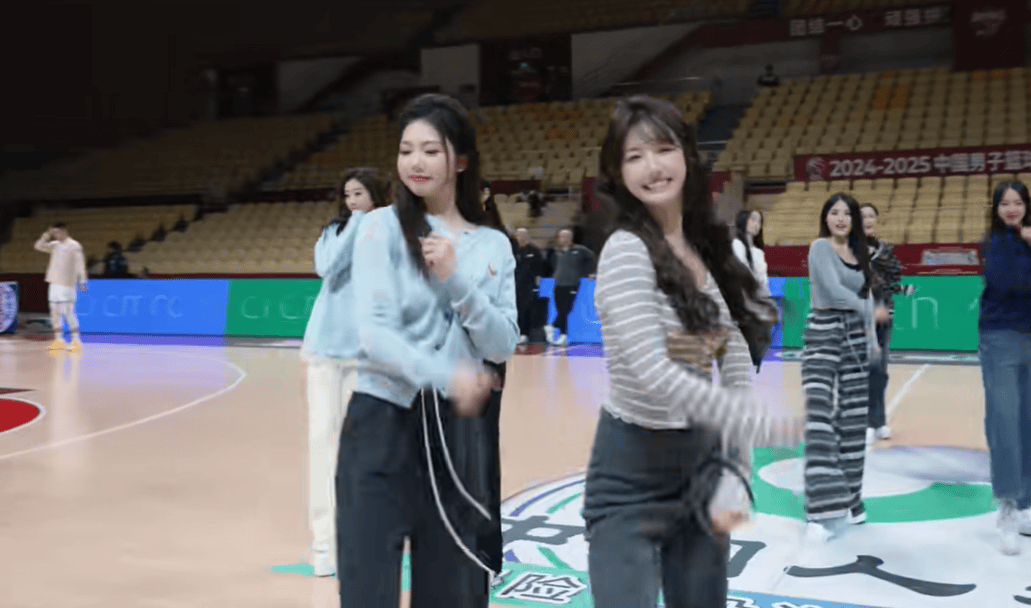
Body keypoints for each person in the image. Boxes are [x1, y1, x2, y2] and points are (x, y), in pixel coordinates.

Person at [583, 95, 800, 608]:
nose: (652, 167)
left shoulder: (707, 249)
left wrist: (737, 473)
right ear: (618, 172)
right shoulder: (625, 250)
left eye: (663, 149)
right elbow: (652, 371)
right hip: (630, 472)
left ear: (687, 155)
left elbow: (737, 363)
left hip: (702, 467)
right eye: (634, 156)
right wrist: (753, 421)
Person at [337, 93, 518, 608]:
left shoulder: (492, 245)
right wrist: (446, 374)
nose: (415, 161)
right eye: (406, 150)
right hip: (381, 423)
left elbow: (502, 343)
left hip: (457, 437)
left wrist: (456, 278)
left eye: (431, 150)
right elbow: (373, 335)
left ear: (460, 161)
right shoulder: (378, 227)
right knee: (368, 591)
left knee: (452, 592)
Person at [301, 167, 389, 577]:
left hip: (367, 356)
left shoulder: (390, 233)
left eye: (360, 194)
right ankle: (324, 545)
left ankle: (361, 538)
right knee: (322, 443)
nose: (352, 201)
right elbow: (328, 268)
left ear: (376, 195)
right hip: (323, 352)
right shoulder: (333, 233)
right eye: (348, 195)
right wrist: (355, 224)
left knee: (364, 448)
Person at [802, 194, 890, 542]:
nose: (840, 218)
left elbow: (866, 295)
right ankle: (820, 511)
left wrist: (872, 343)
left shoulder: (862, 254)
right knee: (819, 417)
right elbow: (834, 292)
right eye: (834, 212)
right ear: (825, 218)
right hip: (823, 332)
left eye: (847, 213)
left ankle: (852, 500)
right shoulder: (819, 248)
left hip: (856, 338)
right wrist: (871, 312)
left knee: (853, 422)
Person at [977, 180, 1031, 555]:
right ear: (996, 209)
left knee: (1028, 423)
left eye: (1018, 202)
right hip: (1000, 339)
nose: (1012, 208)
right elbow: (1013, 283)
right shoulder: (995, 243)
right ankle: (1008, 507)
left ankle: (1026, 504)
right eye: (1004, 203)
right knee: (1005, 422)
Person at [860, 203, 914, 445]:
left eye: (871, 216)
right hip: (859, 318)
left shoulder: (886, 249)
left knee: (880, 371)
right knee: (864, 370)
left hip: (883, 318)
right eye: (863, 216)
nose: (868, 220)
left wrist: (896, 293)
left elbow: (893, 280)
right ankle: (866, 423)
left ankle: (879, 421)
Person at [33, 223, 88, 352]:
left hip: (67, 283)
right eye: (53, 233)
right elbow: (38, 246)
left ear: (64, 231)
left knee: (68, 312)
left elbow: (80, 263)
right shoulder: (54, 245)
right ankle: (59, 340)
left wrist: (83, 280)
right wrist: (45, 236)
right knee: (54, 313)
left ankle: (76, 341)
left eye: (57, 232)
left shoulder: (74, 245)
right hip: (54, 282)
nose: (55, 235)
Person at [732, 209, 772, 369]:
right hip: (743, 302)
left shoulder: (759, 252)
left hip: (758, 302)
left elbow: (763, 281)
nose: (756, 224)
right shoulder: (737, 245)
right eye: (753, 219)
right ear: (743, 220)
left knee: (760, 346)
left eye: (759, 221)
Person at [545, 227, 595, 346]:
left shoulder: (580, 250)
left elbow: (591, 258)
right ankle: (562, 334)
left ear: (571, 238)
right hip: (558, 283)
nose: (564, 239)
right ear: (558, 238)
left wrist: (587, 272)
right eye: (562, 236)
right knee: (561, 310)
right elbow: (550, 264)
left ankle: (554, 327)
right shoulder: (555, 251)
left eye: (567, 236)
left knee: (566, 309)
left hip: (572, 283)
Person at [514, 227, 546, 344]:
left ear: (527, 236)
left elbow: (540, 269)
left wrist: (537, 284)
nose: (520, 237)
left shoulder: (534, 251)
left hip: (528, 285)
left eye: (522, 234)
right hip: (514, 285)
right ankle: (515, 332)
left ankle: (525, 333)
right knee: (515, 309)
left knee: (526, 309)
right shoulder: (514, 250)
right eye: (518, 234)